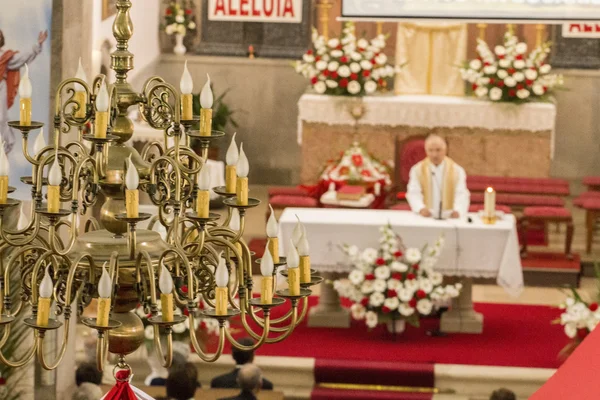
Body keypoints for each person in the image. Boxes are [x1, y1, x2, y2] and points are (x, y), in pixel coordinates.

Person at [0, 29, 47, 154]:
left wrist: (37, 45)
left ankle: (6, 145)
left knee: (1, 118)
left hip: (1, 87)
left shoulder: (5, 57)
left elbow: (22, 58)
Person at [406, 134, 470, 219]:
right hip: (426, 216)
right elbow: (413, 192)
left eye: (438, 150)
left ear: (445, 150)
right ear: (426, 151)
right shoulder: (417, 170)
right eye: (430, 150)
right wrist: (420, 208)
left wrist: (457, 210)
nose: (434, 154)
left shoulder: (457, 171)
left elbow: (461, 193)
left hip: (449, 216)